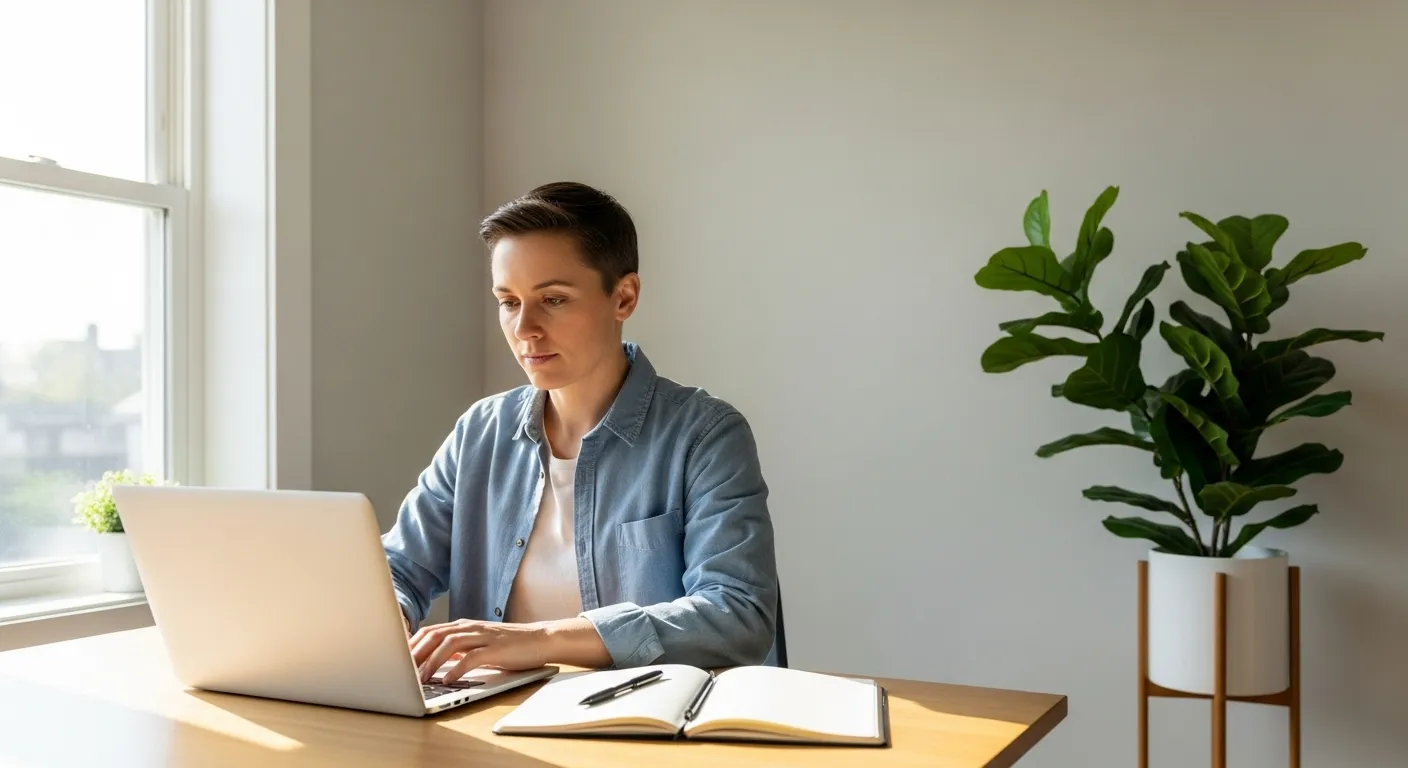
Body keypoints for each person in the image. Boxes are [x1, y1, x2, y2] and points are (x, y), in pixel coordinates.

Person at [381, 181, 779, 685]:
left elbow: (737, 614)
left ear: (624, 297)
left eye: (553, 299)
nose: (525, 327)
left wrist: (540, 641)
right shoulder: (480, 432)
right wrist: (386, 616)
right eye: (508, 301)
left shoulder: (705, 435)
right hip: (492, 725)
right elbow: (398, 567)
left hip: (643, 735)